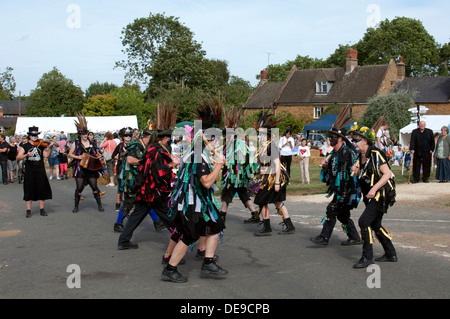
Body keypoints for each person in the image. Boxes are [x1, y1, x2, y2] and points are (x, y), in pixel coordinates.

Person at [162, 96, 227, 283]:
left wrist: (217, 163)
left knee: (216, 227)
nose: (218, 143)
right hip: (191, 203)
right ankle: (170, 269)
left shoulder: (201, 153)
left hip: (200, 202)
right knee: (189, 236)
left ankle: (208, 261)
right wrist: (218, 166)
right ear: (208, 138)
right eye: (216, 138)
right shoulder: (197, 154)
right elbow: (206, 182)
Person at [118, 104, 179, 250]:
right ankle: (180, 239)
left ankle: (124, 240)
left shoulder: (152, 148)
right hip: (153, 191)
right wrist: (172, 165)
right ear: (164, 138)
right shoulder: (157, 151)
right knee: (167, 216)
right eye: (169, 138)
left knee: (137, 214)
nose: (170, 140)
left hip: (147, 190)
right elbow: (157, 171)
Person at [349, 120, 397, 268]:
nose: (354, 143)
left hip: (381, 194)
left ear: (365, 140)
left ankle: (367, 257)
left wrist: (373, 189)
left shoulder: (376, 153)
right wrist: (355, 172)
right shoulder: (360, 157)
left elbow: (387, 174)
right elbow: (364, 175)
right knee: (375, 224)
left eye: (356, 140)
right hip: (371, 194)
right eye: (352, 140)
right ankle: (390, 253)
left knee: (364, 222)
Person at [310, 105, 361, 246]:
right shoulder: (333, 154)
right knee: (342, 215)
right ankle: (354, 237)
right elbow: (332, 174)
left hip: (347, 190)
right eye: (330, 136)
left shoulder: (346, 153)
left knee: (331, 210)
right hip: (340, 190)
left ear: (340, 138)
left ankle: (324, 237)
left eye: (332, 137)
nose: (329, 139)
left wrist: (345, 193)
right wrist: (326, 167)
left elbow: (349, 175)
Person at [252, 110, 295, 236]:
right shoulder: (263, 146)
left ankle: (267, 227)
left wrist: (276, 183)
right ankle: (288, 225)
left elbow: (277, 165)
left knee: (263, 201)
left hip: (273, 179)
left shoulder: (271, 146)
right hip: (267, 178)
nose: (258, 136)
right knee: (276, 202)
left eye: (260, 134)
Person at [113, 129, 163, 233]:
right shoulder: (137, 146)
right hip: (131, 180)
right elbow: (130, 160)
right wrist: (145, 162)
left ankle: (157, 222)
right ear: (147, 137)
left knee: (146, 201)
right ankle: (118, 224)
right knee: (129, 202)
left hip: (138, 179)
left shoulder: (144, 146)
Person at [221, 108, 259, 224]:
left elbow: (246, 160)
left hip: (234, 176)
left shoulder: (236, 145)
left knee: (226, 195)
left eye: (227, 135)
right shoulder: (232, 145)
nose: (226, 137)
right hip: (238, 177)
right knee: (243, 195)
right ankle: (254, 214)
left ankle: (222, 216)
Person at [68, 113, 106, 213]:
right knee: (79, 187)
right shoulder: (76, 143)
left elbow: (97, 153)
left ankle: (100, 205)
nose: (85, 136)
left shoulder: (92, 143)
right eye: (83, 134)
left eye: (86, 134)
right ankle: (76, 206)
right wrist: (78, 157)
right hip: (80, 168)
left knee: (94, 186)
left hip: (92, 167)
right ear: (79, 134)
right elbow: (70, 154)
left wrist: (101, 159)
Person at [16, 127, 52, 217]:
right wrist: (26, 155)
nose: (34, 137)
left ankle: (42, 210)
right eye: (32, 135)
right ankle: (28, 211)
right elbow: (18, 157)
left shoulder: (41, 145)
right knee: (29, 190)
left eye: (36, 135)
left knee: (41, 189)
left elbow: (46, 155)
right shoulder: (24, 146)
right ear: (29, 136)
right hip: (29, 171)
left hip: (40, 170)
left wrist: (50, 148)